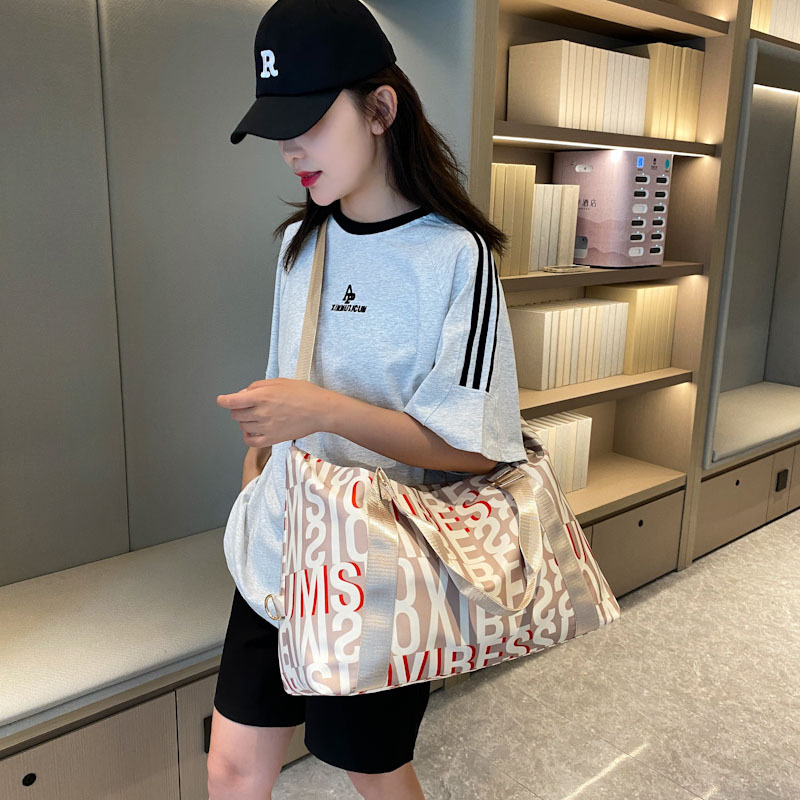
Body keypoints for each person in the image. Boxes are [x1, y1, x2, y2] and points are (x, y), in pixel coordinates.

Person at [209, 1, 528, 798]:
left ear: (380, 108)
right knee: (232, 765)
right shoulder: (300, 245)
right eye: (279, 130)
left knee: (371, 769)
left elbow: (475, 448)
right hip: (281, 546)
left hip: (380, 564)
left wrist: (321, 411)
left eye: (309, 123)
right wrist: (258, 472)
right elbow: (281, 389)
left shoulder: (456, 259)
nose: (290, 149)